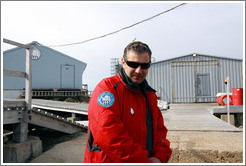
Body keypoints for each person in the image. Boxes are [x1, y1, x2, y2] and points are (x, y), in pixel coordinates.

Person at [84, 41, 172, 163]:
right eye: (133, 64)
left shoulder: (149, 95)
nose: (138, 70)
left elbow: (160, 132)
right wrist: (143, 162)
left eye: (144, 66)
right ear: (123, 62)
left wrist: (159, 157)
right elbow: (109, 135)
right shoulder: (107, 90)